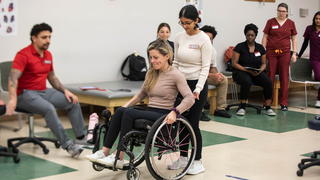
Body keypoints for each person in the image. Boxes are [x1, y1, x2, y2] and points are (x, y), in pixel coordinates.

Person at [85, 39, 195, 168]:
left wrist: (175, 112)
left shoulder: (176, 75)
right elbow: (141, 95)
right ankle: (104, 151)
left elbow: (190, 98)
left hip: (164, 113)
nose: (152, 61)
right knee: (121, 110)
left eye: (156, 57)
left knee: (129, 113)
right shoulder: (151, 73)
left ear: (167, 56)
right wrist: (124, 107)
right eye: (150, 57)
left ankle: (119, 156)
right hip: (150, 110)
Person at [6, 23, 86, 158]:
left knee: (72, 101)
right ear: (34, 38)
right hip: (25, 94)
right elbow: (12, 79)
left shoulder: (48, 54)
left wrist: (65, 91)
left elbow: (52, 77)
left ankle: (80, 138)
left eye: (49, 37)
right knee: (49, 109)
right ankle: (68, 145)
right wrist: (13, 99)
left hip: (43, 91)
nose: (48, 40)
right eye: (44, 37)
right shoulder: (23, 55)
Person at [170, 5, 212, 175]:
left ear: (196, 21)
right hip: (181, 83)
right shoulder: (179, 37)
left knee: (193, 124)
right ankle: (183, 157)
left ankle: (197, 161)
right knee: (180, 122)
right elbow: (175, 63)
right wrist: (172, 81)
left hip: (197, 85)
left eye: (188, 23)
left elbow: (205, 67)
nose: (185, 26)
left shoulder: (204, 39)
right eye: (182, 23)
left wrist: (198, 89)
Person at [232, 23, 276, 116]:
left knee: (268, 82)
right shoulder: (239, 47)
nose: (250, 37)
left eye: (252, 35)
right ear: (245, 35)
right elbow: (234, 63)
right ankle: (242, 106)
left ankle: (268, 107)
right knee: (246, 81)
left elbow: (264, 63)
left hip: (256, 72)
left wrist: (260, 70)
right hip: (241, 71)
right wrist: (246, 70)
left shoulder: (260, 48)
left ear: (255, 35)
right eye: (248, 35)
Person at [262, 3, 298, 111]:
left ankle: (284, 103)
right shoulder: (270, 22)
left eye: (283, 11)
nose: (281, 13)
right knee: (270, 76)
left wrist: (294, 53)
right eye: (279, 11)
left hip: (285, 53)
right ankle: (267, 101)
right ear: (277, 11)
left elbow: (294, 39)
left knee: (284, 77)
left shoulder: (291, 23)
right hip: (271, 52)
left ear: (287, 12)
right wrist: (263, 50)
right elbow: (265, 37)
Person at [200, 25, 231, 119]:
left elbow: (212, 67)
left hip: (206, 74)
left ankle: (220, 109)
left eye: (210, 39)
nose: (208, 41)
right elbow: (195, 70)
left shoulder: (212, 51)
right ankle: (199, 111)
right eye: (206, 38)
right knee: (201, 80)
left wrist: (217, 75)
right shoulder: (195, 49)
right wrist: (210, 75)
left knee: (223, 79)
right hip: (195, 75)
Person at [298, 11, 320, 108]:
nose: (318, 20)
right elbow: (305, 43)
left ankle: (319, 99)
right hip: (314, 58)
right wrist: (300, 55)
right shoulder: (309, 29)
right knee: (319, 77)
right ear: (314, 19)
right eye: (316, 18)